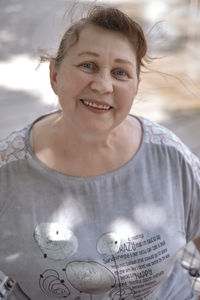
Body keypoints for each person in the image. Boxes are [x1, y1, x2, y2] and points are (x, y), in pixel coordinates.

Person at [0, 5, 200, 300]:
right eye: (88, 66)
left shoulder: (169, 156)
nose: (103, 85)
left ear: (135, 87)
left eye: (120, 73)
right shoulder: (8, 170)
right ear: (55, 76)